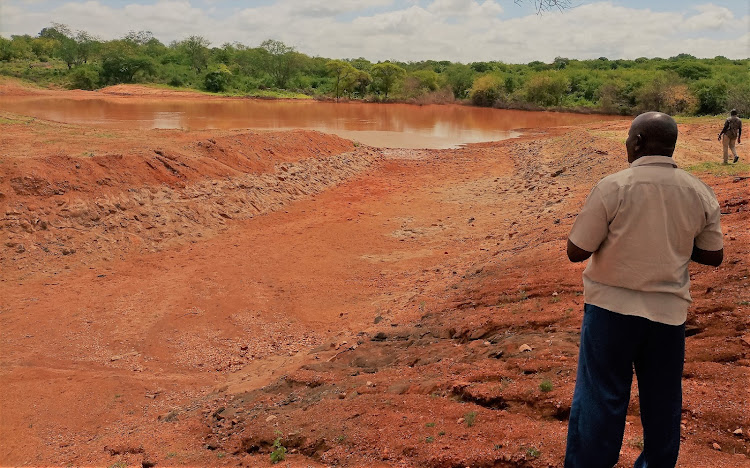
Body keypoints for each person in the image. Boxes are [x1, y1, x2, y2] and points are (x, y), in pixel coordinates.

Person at [564, 111, 724, 468]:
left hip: (610, 311)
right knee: (662, 400)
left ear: (636, 143)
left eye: (627, 139)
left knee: (601, 397)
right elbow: (714, 255)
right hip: (668, 316)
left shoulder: (614, 186)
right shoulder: (699, 191)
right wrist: (675, 243)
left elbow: (577, 251)